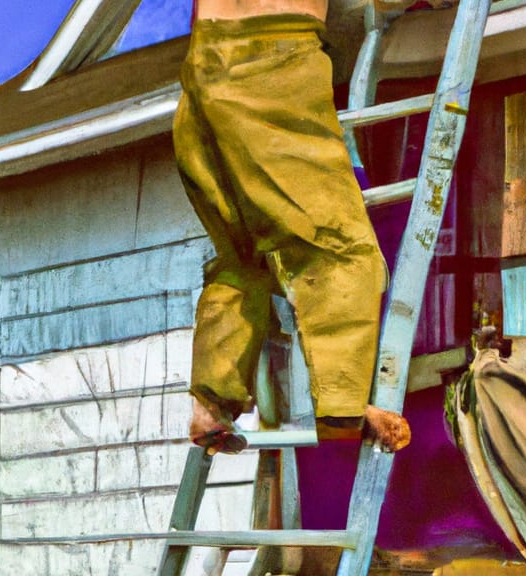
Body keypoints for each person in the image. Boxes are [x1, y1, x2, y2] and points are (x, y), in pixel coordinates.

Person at [174, 0, 411, 455]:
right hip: (273, 65)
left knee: (243, 260)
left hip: (203, 65)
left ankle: (210, 403)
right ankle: (343, 411)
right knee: (339, 247)